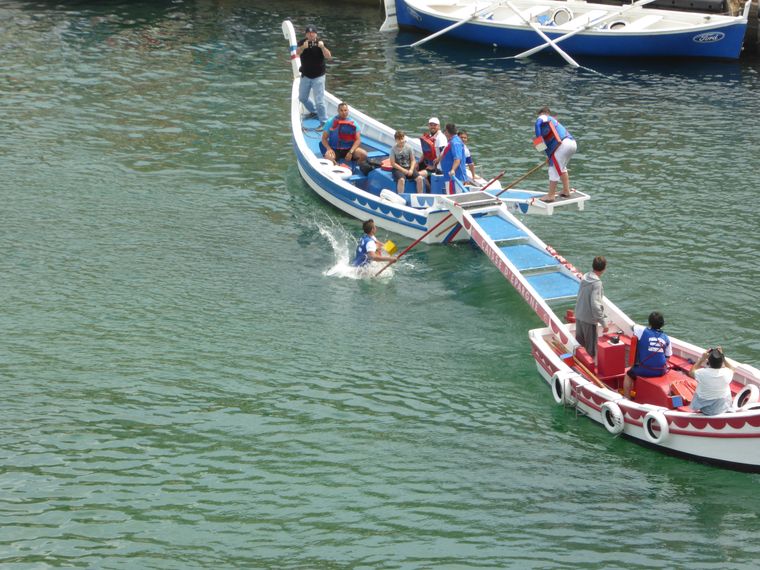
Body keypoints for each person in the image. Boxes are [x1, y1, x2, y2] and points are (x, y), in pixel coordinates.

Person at [622, 312, 672, 399]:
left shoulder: (642, 330)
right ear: (662, 324)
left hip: (644, 370)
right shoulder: (666, 338)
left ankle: (626, 398)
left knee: (629, 374)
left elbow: (632, 326)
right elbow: (668, 356)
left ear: (649, 323)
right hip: (660, 371)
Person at [533, 106, 577, 203]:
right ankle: (566, 190)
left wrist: (538, 140)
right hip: (572, 143)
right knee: (561, 167)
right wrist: (550, 157)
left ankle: (551, 195)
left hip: (563, 145)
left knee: (553, 169)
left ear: (544, 113)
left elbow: (538, 123)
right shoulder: (553, 122)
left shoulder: (543, 117)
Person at [296, 25, 332, 126]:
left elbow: (329, 56)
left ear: (316, 34)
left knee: (319, 101)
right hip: (306, 76)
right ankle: (314, 111)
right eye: (308, 33)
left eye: (312, 33)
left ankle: (324, 122)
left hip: (318, 76)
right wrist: (303, 47)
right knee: (302, 98)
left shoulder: (321, 42)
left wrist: (322, 47)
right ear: (306, 34)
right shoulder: (302, 42)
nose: (311, 35)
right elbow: (297, 53)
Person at [574, 256, 607, 358]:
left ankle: (580, 362)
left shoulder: (585, 276)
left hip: (579, 315)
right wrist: (603, 323)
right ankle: (590, 368)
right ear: (604, 269)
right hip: (589, 320)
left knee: (580, 343)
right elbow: (595, 304)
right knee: (591, 348)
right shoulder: (597, 283)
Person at [688, 346, 735, 415]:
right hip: (723, 408)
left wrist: (701, 359)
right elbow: (732, 368)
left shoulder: (701, 373)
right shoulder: (727, 372)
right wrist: (722, 357)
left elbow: (691, 372)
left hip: (706, 410)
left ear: (708, 362)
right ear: (722, 362)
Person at [417, 117, 448, 188]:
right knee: (413, 170)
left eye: (435, 125)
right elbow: (426, 152)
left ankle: (429, 188)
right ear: (428, 126)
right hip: (429, 163)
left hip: (437, 167)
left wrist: (434, 166)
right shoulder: (431, 136)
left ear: (439, 126)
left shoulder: (441, 138)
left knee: (417, 175)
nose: (433, 127)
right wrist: (418, 162)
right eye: (431, 125)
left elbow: (443, 154)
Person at [439, 123, 467, 194]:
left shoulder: (455, 143)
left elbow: (457, 159)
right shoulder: (452, 141)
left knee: (454, 196)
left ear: (447, 132)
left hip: (454, 177)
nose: (444, 133)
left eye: (445, 131)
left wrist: (452, 170)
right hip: (449, 176)